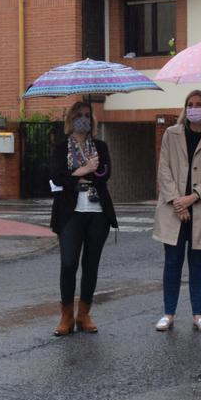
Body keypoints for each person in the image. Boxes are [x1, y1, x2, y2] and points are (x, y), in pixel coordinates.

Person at [152, 90, 201, 332]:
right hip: (174, 209)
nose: (194, 108)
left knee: (198, 262)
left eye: (199, 104)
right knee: (172, 262)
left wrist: (192, 197)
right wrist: (177, 201)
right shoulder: (171, 134)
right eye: (190, 104)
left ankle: (198, 314)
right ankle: (168, 313)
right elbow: (164, 169)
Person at [49, 101, 118, 336]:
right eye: (79, 115)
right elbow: (57, 178)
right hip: (70, 212)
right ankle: (66, 316)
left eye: (87, 115)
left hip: (97, 212)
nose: (83, 119)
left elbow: (105, 173)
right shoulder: (61, 148)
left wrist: (81, 173)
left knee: (90, 265)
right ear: (71, 119)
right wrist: (83, 171)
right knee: (69, 263)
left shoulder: (100, 146)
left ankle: (84, 313)